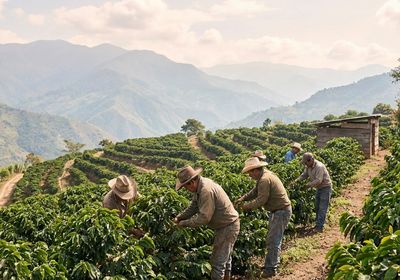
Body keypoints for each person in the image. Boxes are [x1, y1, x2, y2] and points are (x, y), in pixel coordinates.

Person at [173, 165, 240, 280]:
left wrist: (184, 224)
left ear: (192, 182)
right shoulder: (201, 185)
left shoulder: (205, 191)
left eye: (185, 187)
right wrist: (180, 217)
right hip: (227, 225)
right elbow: (194, 206)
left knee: (217, 262)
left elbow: (204, 218)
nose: (186, 189)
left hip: (228, 227)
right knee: (225, 259)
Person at [235, 157, 291, 278]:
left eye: (250, 172)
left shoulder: (265, 179)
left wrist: (246, 207)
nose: (249, 175)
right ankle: (271, 264)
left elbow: (261, 200)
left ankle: (271, 269)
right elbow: (255, 192)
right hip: (278, 211)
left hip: (280, 211)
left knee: (273, 240)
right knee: (273, 239)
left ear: (256, 170)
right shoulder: (264, 176)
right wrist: (243, 198)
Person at [292, 152, 332, 233]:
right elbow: (304, 175)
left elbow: (318, 180)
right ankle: (318, 224)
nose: (305, 164)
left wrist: (307, 185)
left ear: (311, 160)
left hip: (325, 188)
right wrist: (295, 182)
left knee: (322, 207)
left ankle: (319, 227)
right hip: (318, 188)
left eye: (306, 162)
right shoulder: (308, 167)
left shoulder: (319, 167)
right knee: (317, 207)